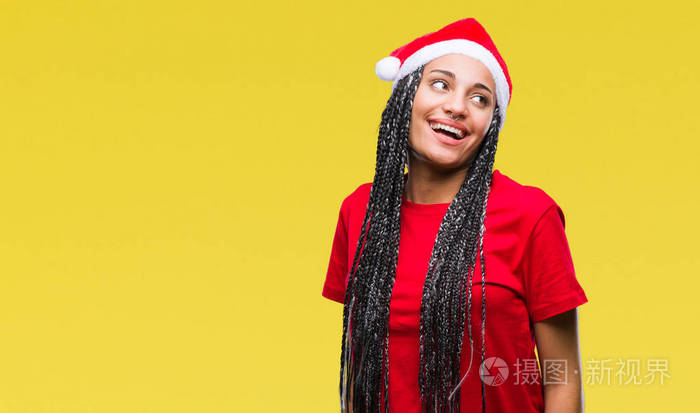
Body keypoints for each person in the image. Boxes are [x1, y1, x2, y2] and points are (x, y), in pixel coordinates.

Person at [321, 18, 588, 413]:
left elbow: (562, 378)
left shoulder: (530, 214)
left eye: (480, 98)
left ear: (490, 126)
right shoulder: (361, 211)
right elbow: (361, 365)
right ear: (405, 96)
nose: (457, 107)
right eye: (440, 84)